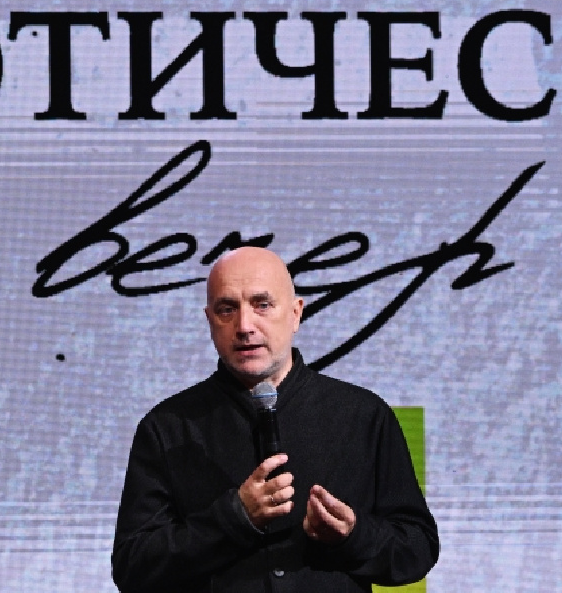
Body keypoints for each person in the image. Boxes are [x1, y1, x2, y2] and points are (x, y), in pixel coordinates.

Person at [111, 246, 438, 592]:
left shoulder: (363, 415)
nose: (244, 326)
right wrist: (234, 518)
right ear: (209, 321)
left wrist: (353, 536)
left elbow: (417, 549)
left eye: (262, 305)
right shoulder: (167, 428)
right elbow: (133, 567)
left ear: (296, 314)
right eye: (227, 309)